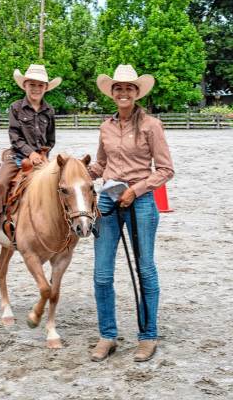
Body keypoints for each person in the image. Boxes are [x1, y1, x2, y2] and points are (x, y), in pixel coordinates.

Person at [88, 64, 174, 362]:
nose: (123, 92)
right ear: (112, 93)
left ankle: (147, 336)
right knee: (101, 273)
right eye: (118, 88)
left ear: (137, 93)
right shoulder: (105, 126)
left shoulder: (152, 125)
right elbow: (100, 165)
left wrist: (135, 190)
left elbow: (165, 170)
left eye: (129, 88)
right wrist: (78, 171)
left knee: (145, 268)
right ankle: (107, 335)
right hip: (109, 197)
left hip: (141, 200)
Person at [0, 64, 62, 242]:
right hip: (18, 156)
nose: (36, 89)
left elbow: (51, 139)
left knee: (62, 185)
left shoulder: (49, 110)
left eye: (40, 85)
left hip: (42, 159)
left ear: (46, 87)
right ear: (25, 86)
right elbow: (14, 136)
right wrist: (30, 153)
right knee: (0, 183)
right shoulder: (16, 107)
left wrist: (44, 153)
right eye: (32, 85)